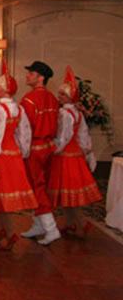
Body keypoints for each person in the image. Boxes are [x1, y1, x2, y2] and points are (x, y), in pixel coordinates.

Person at [0, 61, 38, 250]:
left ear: (6, 90)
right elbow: (25, 132)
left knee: (2, 196)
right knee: (3, 197)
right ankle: (1, 231)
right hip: (13, 153)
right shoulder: (19, 108)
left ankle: (11, 233)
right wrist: (23, 151)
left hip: (1, 154)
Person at [46, 66, 102, 238]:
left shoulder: (65, 113)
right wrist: (86, 152)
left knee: (70, 194)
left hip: (65, 156)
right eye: (59, 93)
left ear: (70, 97)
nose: (59, 96)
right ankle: (70, 223)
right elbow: (83, 136)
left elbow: (64, 136)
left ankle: (82, 223)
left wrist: (54, 148)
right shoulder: (77, 113)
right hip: (75, 154)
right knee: (68, 194)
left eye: (62, 94)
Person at [20, 60, 61, 245]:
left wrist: (22, 149)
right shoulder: (52, 98)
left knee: (36, 187)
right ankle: (38, 225)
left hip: (35, 148)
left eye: (31, 73)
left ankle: (51, 228)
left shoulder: (29, 99)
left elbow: (25, 128)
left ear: (41, 77)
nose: (27, 76)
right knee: (42, 186)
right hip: (49, 147)